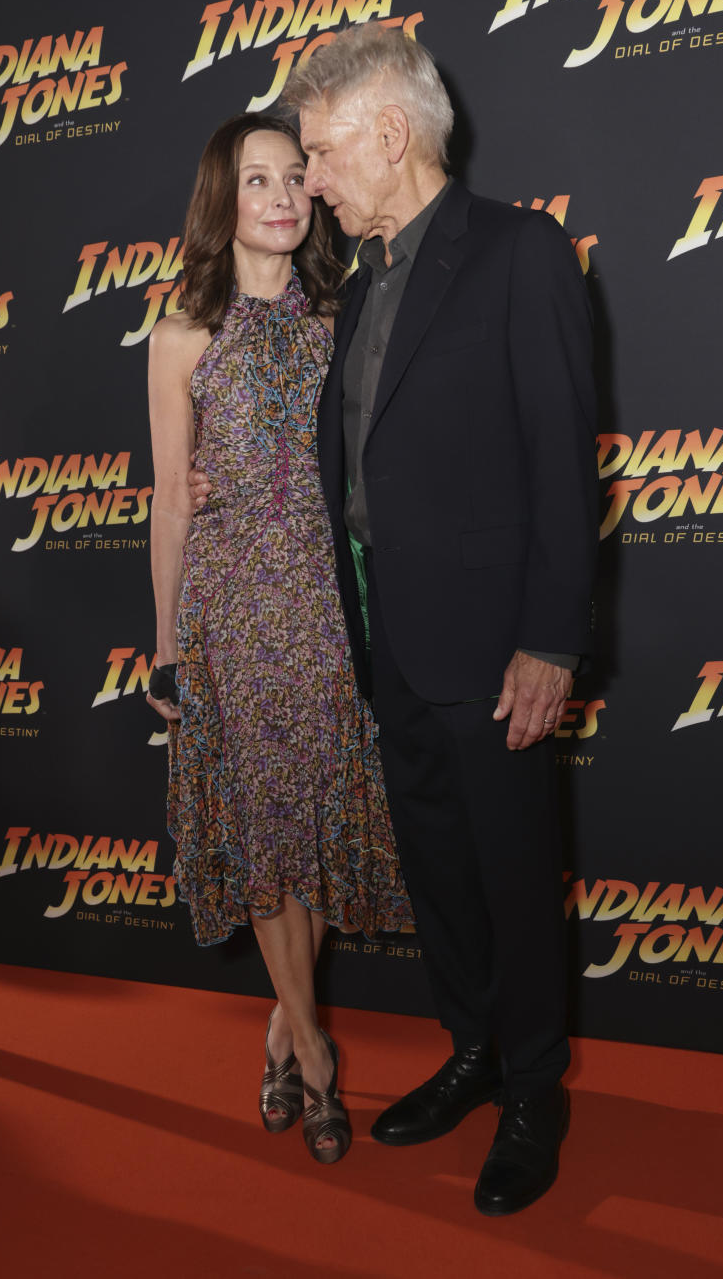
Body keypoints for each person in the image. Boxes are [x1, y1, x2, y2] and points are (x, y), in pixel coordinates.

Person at [193, 26, 598, 1215]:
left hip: (495, 649)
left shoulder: (522, 254)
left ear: (389, 135)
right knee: (439, 875)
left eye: (317, 152)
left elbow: (565, 471)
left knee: (517, 877)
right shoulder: (360, 282)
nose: (308, 179)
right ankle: (469, 1051)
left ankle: (533, 1089)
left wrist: (553, 640)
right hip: (387, 650)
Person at [146, 111, 412, 1167]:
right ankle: (314, 1053)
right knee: (265, 836)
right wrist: (165, 644)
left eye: (295, 178)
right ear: (223, 198)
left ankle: (278, 1029)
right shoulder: (179, 336)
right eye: (256, 179)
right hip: (228, 612)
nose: (280, 195)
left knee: (312, 825)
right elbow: (171, 498)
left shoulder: (345, 320)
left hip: (326, 606)